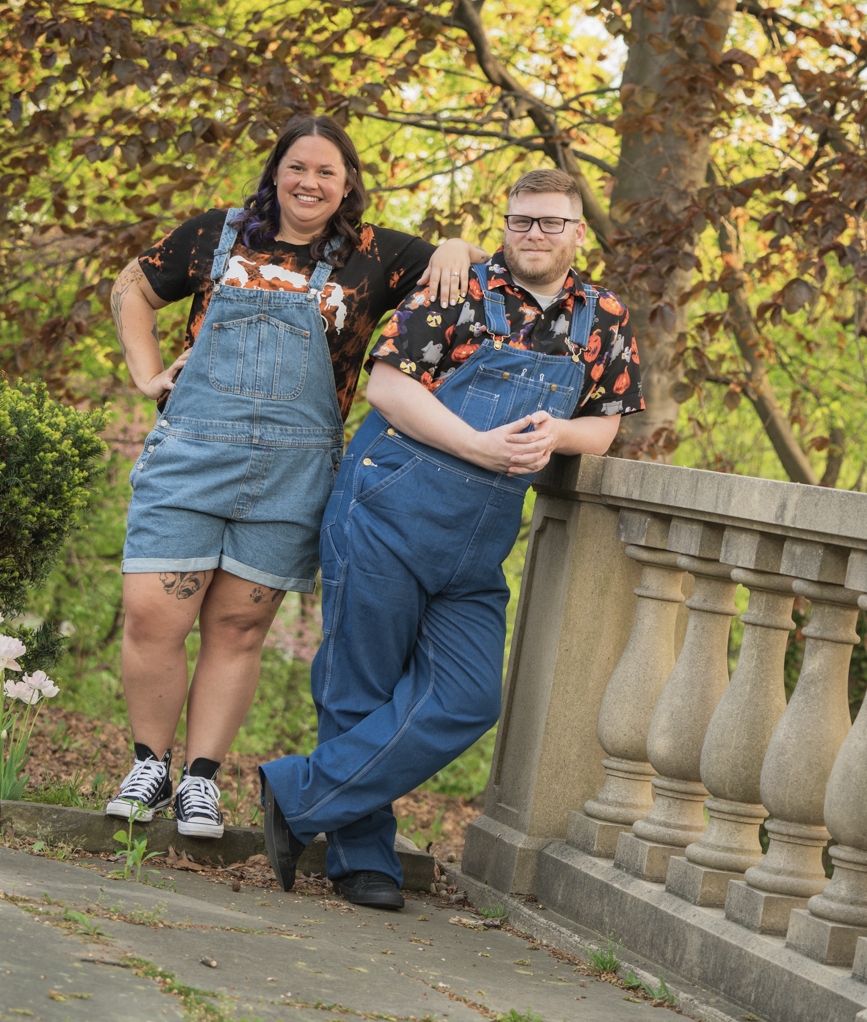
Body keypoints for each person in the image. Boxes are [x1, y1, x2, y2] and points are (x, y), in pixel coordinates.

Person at [257, 168, 644, 909]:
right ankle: (362, 858)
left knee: (468, 696)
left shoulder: (604, 317)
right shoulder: (456, 287)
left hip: (476, 543)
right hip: (386, 508)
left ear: (577, 233)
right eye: (521, 220)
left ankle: (297, 792)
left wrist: (560, 431)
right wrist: (481, 447)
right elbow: (389, 387)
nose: (534, 234)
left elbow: (607, 423)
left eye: (550, 223)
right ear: (505, 224)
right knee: (359, 687)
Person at [106, 114, 486, 839]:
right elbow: (134, 287)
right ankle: (149, 765)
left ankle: (199, 782)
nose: (310, 182)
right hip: (192, 451)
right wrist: (147, 375)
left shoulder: (377, 256)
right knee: (155, 615)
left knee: (239, 627)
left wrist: (458, 246)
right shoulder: (219, 234)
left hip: (295, 466)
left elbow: (470, 272)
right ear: (275, 172)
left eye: (326, 173)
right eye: (298, 167)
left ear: (346, 187)